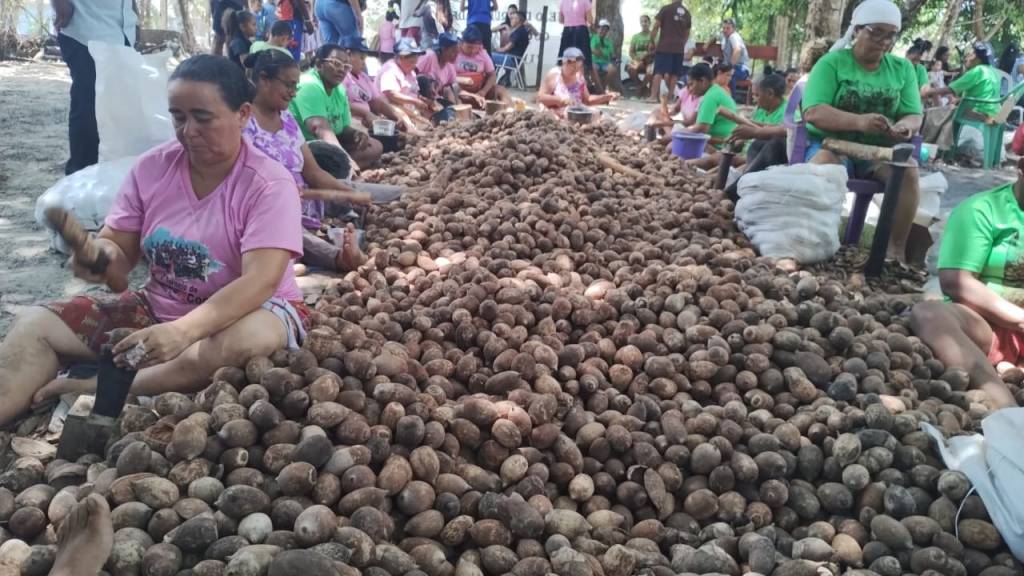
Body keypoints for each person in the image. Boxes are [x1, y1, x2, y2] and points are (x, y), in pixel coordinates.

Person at [0, 55, 308, 426]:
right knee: (36, 324)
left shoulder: (269, 184)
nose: (188, 131)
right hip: (158, 308)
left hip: (248, 313)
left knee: (249, 339)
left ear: (243, 114)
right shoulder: (151, 168)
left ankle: (97, 386)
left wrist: (182, 332)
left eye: (202, 118)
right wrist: (98, 256)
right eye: (178, 117)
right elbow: (119, 259)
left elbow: (261, 281)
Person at [801, 0, 922, 264]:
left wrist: (904, 127)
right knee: (824, 165)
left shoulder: (902, 69)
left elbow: (914, 114)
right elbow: (813, 112)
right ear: (857, 30)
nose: (884, 41)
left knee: (908, 171)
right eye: (876, 32)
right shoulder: (832, 63)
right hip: (830, 145)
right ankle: (812, 242)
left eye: (891, 35)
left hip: (877, 151)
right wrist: (859, 122)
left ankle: (893, 253)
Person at [908, 160, 1024, 410]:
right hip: (988, 326)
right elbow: (955, 282)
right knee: (929, 314)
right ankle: (1007, 408)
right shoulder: (983, 210)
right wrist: (1020, 319)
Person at [245, 49, 366, 276]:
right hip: (270, 209)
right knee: (285, 228)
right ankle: (338, 258)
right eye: (289, 85)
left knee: (353, 189)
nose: (293, 93)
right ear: (264, 79)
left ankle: (405, 194)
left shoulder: (286, 119)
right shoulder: (243, 123)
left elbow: (313, 172)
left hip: (305, 200)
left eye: (296, 86)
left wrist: (349, 193)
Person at [51, 0, 137, 176]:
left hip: (123, 31)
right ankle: (80, 176)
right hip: (86, 27)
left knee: (115, 109)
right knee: (89, 108)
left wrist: (133, 16)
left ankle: (106, 175)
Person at [290, 44, 384, 169]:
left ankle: (338, 168)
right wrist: (346, 160)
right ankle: (337, 168)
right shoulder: (309, 86)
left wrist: (355, 134)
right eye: (336, 63)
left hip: (329, 144)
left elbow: (343, 128)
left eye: (346, 66)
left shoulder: (339, 89)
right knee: (352, 158)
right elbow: (321, 130)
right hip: (305, 147)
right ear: (319, 64)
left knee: (375, 146)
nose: (342, 70)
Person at [723, 73, 790, 199]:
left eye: (757, 95)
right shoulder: (761, 110)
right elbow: (750, 137)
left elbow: (786, 131)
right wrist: (738, 140)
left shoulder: (788, 112)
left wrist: (755, 132)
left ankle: (730, 192)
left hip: (770, 161)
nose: (754, 99)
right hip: (751, 157)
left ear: (770, 93)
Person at [341, 36, 423, 133]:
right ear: (348, 55)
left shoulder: (364, 77)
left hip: (368, 121)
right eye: (361, 58)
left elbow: (377, 102)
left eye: (365, 58)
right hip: (349, 122)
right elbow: (342, 105)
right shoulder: (342, 76)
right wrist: (366, 114)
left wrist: (395, 116)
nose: (364, 63)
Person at [682, 62, 737, 168]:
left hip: (721, 148)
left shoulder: (710, 97)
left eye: (691, 84)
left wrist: (678, 133)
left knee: (672, 147)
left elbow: (701, 129)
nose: (690, 89)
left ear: (702, 81)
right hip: (722, 143)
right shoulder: (715, 91)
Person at [537, 47, 616, 117]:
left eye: (578, 67)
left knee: (597, 114)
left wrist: (605, 97)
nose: (575, 70)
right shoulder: (554, 75)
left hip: (575, 114)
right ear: (565, 62)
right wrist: (558, 100)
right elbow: (540, 98)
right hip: (555, 115)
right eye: (573, 66)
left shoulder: (579, 78)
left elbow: (587, 100)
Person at [932, 42, 1002, 120]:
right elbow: (981, 97)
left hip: (978, 114)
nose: (967, 57)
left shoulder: (978, 71)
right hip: (994, 115)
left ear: (975, 57)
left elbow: (950, 89)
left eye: (970, 54)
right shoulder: (993, 71)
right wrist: (957, 100)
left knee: (939, 115)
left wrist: (927, 91)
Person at [378, 38, 439, 119]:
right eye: (412, 62)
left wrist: (423, 100)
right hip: (390, 111)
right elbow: (391, 95)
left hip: (408, 110)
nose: (414, 65)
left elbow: (412, 92)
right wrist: (414, 101)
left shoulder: (410, 72)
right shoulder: (389, 70)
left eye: (415, 62)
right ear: (401, 58)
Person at [648, 0, 691, 104]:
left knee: (659, 71)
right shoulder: (687, 13)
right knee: (674, 73)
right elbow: (687, 33)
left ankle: (653, 96)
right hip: (679, 48)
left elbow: (656, 26)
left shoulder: (666, 9)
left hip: (664, 46)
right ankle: (670, 98)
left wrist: (651, 41)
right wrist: (681, 44)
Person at [455, 27, 509, 108]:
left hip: (479, 91)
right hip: (459, 91)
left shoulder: (482, 53)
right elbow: (448, 77)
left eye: (476, 48)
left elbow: (492, 75)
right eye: (469, 47)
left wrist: (483, 91)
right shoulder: (454, 52)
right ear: (461, 43)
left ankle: (510, 112)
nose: (472, 51)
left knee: (501, 90)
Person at [491, 11, 531, 87]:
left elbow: (507, 48)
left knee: (489, 56)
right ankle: (494, 80)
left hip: (511, 60)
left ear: (518, 20)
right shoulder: (521, 30)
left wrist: (497, 50)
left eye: (513, 18)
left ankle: (490, 81)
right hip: (513, 58)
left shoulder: (519, 32)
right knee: (491, 55)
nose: (510, 20)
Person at [419, 33, 461, 104]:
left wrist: (473, 95)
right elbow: (412, 74)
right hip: (418, 96)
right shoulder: (429, 56)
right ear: (444, 49)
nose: (456, 55)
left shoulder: (450, 66)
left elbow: (454, 85)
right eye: (453, 51)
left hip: (434, 100)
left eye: (458, 52)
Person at [558, 0, 593, 69]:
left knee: (566, 56)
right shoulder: (585, 1)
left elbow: (560, 20)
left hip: (567, 30)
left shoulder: (563, 2)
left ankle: (567, 73)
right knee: (583, 57)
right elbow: (590, 20)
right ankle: (581, 73)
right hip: (581, 31)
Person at [719, 18, 749, 94]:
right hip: (733, 67)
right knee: (718, 73)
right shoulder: (725, 37)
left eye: (728, 28)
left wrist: (729, 67)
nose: (725, 30)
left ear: (733, 29)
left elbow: (737, 50)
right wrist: (707, 44)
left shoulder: (734, 36)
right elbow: (716, 36)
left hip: (741, 68)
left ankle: (731, 98)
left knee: (729, 75)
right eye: (724, 28)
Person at [626, 15, 654, 96]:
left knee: (650, 72)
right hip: (638, 61)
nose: (643, 23)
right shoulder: (636, 37)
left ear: (649, 23)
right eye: (641, 22)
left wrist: (647, 55)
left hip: (650, 61)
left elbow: (656, 50)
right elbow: (631, 52)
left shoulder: (654, 35)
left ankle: (639, 89)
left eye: (645, 21)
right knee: (630, 68)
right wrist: (636, 59)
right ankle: (642, 87)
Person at [590, 19, 617, 94]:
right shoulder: (593, 38)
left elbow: (612, 54)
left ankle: (603, 87)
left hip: (605, 62)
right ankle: (600, 90)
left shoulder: (609, 41)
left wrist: (614, 58)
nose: (603, 31)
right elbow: (592, 50)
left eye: (605, 30)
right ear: (598, 29)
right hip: (594, 61)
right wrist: (598, 52)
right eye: (601, 29)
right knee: (592, 67)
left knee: (613, 69)